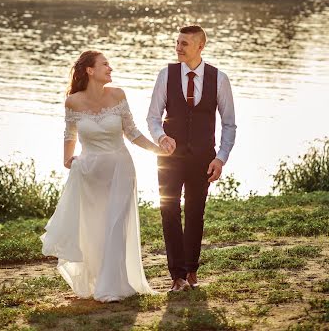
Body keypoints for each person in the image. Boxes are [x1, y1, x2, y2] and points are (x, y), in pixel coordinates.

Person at [41, 50, 162, 302]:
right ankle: (98, 279)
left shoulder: (118, 95)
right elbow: (70, 134)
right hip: (90, 172)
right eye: (105, 64)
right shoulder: (72, 102)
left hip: (120, 167)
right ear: (90, 70)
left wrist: (158, 150)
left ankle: (112, 288)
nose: (110, 68)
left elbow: (132, 132)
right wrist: (67, 159)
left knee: (116, 224)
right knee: (95, 228)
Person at [147, 25, 237, 292]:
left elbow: (229, 124)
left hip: (203, 159)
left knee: (196, 213)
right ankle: (177, 275)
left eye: (184, 43)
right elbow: (153, 117)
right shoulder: (166, 75)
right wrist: (161, 137)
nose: (178, 48)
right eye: (177, 42)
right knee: (169, 211)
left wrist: (220, 158)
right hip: (169, 158)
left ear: (200, 46)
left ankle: (191, 270)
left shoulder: (219, 79)